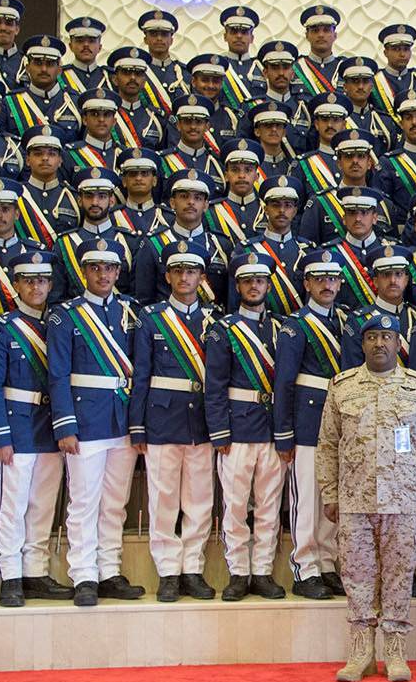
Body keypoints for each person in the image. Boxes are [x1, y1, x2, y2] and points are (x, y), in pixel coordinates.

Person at [318, 312, 416, 682]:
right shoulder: (342, 387)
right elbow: (327, 445)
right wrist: (330, 492)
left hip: (402, 501)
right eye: (372, 337)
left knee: (399, 574)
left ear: (397, 342)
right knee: (357, 574)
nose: (379, 344)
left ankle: (395, 651)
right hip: (355, 500)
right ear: (363, 343)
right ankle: (360, 652)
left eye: (386, 337)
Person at [47, 239, 145, 607]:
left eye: (110, 268)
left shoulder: (130, 312)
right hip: (84, 419)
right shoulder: (66, 315)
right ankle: (84, 573)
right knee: (84, 501)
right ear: (84, 271)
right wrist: (65, 425)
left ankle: (109, 569)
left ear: (118, 272)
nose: (103, 275)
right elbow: (58, 373)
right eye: (96, 268)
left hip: (121, 418)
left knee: (115, 502)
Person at [0, 249, 75, 607]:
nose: (36, 287)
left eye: (42, 280)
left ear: (51, 284)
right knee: (12, 503)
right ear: (16, 284)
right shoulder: (3, 327)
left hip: (48, 425)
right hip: (17, 424)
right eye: (28, 280)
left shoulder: (57, 322)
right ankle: (10, 574)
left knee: (42, 503)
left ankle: (35, 570)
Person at [129, 247, 217, 604]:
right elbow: (141, 374)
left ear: (201, 278)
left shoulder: (214, 321)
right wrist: (137, 424)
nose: (184, 278)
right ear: (166, 276)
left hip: (201, 421)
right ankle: (167, 569)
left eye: (192, 271)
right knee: (163, 498)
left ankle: (192, 568)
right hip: (162, 418)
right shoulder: (151, 319)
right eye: (177, 271)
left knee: (199, 499)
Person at [206, 251, 289, 601]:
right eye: (247, 281)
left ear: (268, 285)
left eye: (260, 280)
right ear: (238, 285)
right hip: (237, 430)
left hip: (272, 430)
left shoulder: (282, 328)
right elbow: (215, 384)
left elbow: (286, 383)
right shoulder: (223, 330)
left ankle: (262, 572)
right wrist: (220, 430)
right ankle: (238, 572)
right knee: (236, 507)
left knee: (269, 507)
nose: (254, 286)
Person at [273, 253, 352, 599]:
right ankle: (304, 567)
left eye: (332, 279)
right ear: (306, 284)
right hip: (305, 423)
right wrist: (283, 432)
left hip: (337, 425)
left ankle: (327, 561)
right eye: (319, 279)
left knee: (331, 498)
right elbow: (284, 383)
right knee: (306, 500)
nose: (327, 285)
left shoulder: (345, 323)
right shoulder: (296, 325)